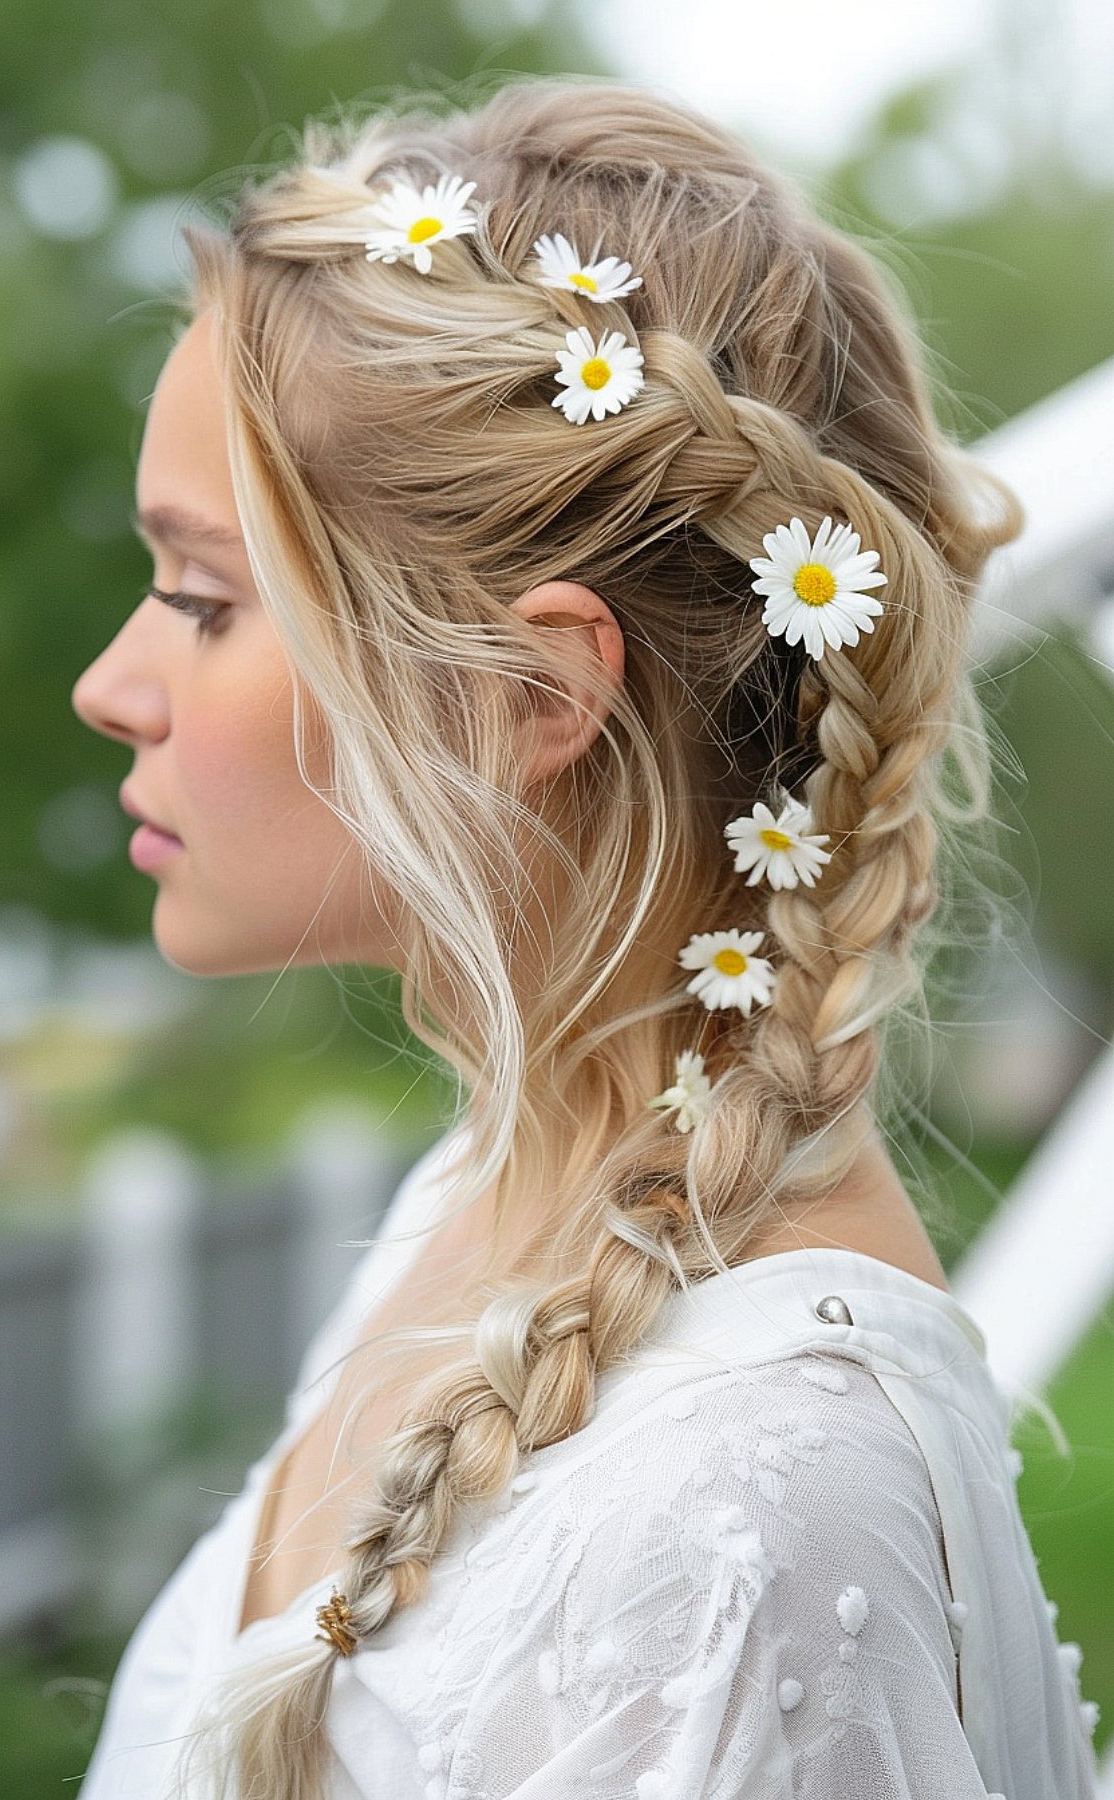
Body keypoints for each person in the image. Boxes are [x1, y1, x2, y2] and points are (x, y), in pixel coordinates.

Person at [69, 74, 1101, 1800]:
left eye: (201, 599)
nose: (114, 687)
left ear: (530, 692)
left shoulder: (748, 1511)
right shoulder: (492, 1212)